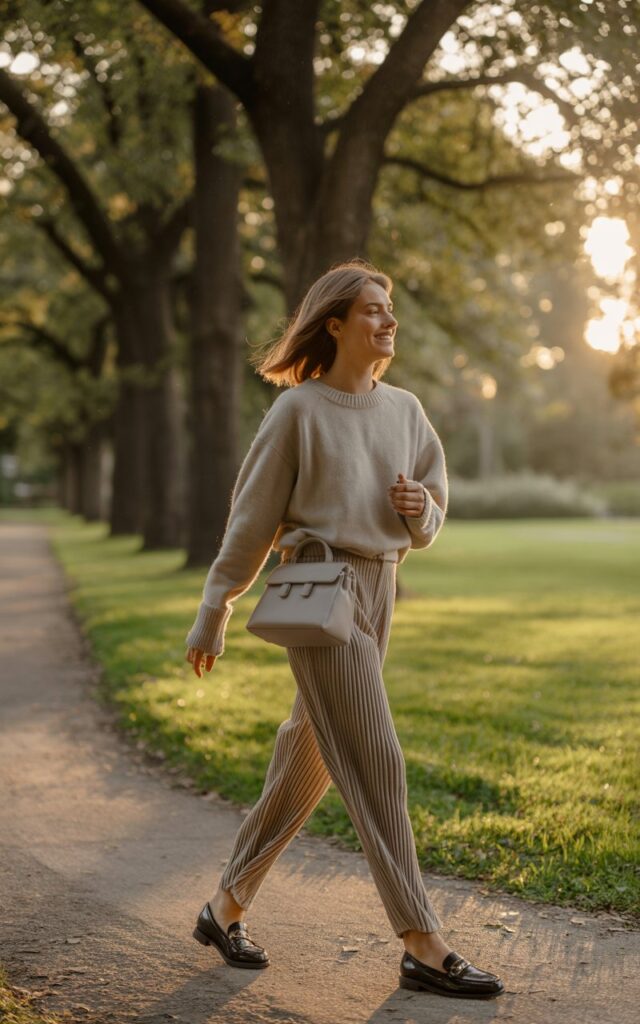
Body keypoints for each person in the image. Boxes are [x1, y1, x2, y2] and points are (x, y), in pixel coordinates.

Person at [185, 259, 504, 999]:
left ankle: (224, 906)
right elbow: (251, 521)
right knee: (375, 756)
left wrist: (418, 506)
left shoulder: (406, 410)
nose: (388, 321)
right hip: (317, 587)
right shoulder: (297, 411)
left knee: (312, 755)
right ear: (334, 323)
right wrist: (215, 609)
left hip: (380, 585)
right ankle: (423, 943)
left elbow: (434, 510)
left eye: (391, 309)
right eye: (372, 309)